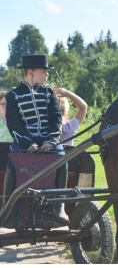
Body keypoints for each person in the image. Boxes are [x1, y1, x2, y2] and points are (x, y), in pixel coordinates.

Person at [1, 54, 69, 223]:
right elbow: (14, 125)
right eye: (43, 71)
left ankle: (58, 206)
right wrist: (29, 143)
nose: (46, 75)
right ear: (30, 72)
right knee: (13, 162)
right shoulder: (13, 95)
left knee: (62, 160)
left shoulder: (48, 92)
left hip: (48, 139)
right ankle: (6, 206)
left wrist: (51, 140)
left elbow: (56, 118)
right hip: (24, 140)